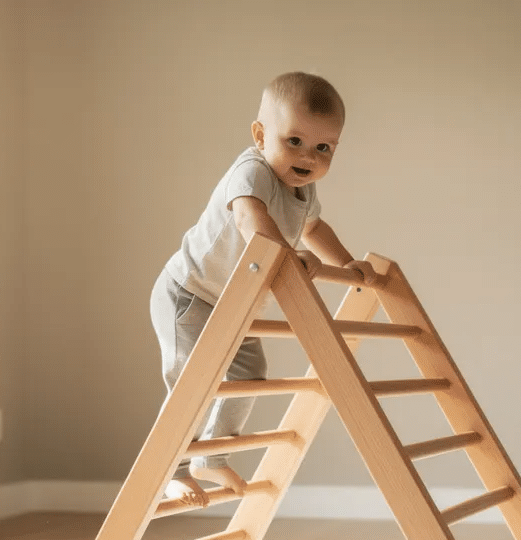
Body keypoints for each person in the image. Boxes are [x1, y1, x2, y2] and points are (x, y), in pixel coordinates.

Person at [150, 71, 377, 507]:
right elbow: (250, 220)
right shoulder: (252, 172)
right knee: (194, 381)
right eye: (294, 141)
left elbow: (314, 228)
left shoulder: (304, 191)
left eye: (323, 148)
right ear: (260, 135)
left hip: (237, 303)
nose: (308, 156)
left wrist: (346, 263)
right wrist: (289, 260)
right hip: (190, 294)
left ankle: (212, 457)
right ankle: (171, 471)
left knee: (249, 375)